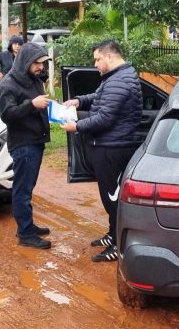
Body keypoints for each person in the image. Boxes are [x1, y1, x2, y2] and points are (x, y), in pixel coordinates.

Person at [61, 40, 143, 262]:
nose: (95, 64)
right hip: (109, 146)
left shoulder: (120, 80)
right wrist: (78, 101)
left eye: (97, 59)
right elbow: (99, 98)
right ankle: (111, 234)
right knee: (109, 196)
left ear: (110, 56)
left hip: (113, 148)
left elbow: (105, 118)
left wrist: (76, 126)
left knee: (113, 199)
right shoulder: (117, 78)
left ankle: (118, 245)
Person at [0, 43, 53, 249]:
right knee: (22, 189)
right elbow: (7, 115)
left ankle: (27, 225)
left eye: (42, 63)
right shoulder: (9, 84)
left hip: (36, 141)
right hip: (23, 144)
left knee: (28, 188)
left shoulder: (33, 80)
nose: (40, 67)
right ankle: (26, 234)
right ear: (26, 62)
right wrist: (32, 105)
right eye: (37, 63)